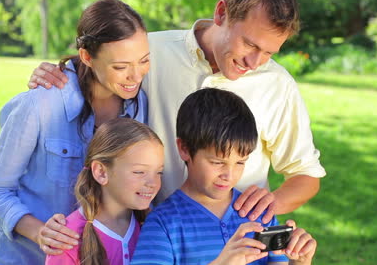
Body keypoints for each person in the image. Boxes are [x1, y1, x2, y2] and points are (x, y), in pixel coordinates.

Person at [28, 0, 326, 252]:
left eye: (269, 52)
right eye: (248, 43)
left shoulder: (278, 85)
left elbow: (305, 175)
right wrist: (58, 75)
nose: (254, 62)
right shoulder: (151, 53)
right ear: (221, 12)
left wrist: (270, 203)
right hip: (151, 235)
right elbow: (98, 68)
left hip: (234, 240)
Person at [0, 0, 152, 264]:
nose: (136, 76)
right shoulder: (40, 104)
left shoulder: (139, 106)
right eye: (120, 66)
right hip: (23, 258)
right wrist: (40, 232)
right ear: (86, 57)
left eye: (144, 61)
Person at [131, 88, 317, 265]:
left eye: (240, 162)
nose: (229, 175)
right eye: (217, 162)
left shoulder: (259, 214)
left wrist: (300, 261)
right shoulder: (163, 223)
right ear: (184, 149)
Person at [45, 118, 164, 265]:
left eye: (159, 172)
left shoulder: (155, 228)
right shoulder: (67, 239)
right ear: (101, 172)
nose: (152, 183)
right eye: (139, 172)